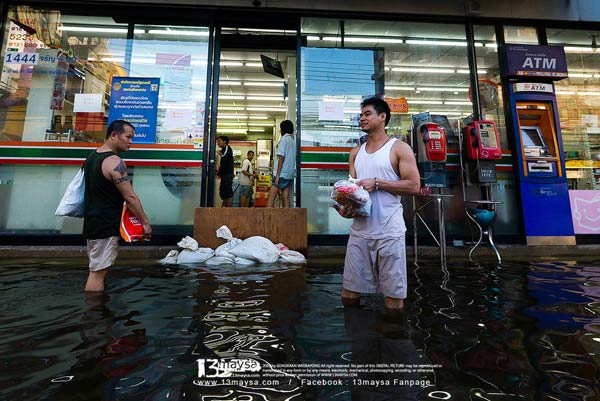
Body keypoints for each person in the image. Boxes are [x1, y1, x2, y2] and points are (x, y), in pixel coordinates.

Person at [334, 97, 420, 310]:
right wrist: (347, 208)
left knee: (393, 296)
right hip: (360, 232)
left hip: (389, 232)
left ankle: (392, 339)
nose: (362, 118)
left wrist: (378, 183)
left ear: (383, 117)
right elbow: (354, 193)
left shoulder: (399, 148)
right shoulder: (355, 153)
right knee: (349, 292)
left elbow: (414, 186)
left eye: (367, 114)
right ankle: (357, 339)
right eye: (361, 114)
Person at [83, 120, 151, 292]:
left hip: (93, 221)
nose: (131, 142)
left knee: (97, 268)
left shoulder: (92, 156)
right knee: (97, 273)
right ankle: (94, 314)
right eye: (128, 137)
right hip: (106, 225)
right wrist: (144, 222)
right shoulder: (114, 162)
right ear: (114, 135)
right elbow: (130, 196)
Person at [267, 120, 296, 208]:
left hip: (281, 175)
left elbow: (281, 158)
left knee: (271, 197)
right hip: (289, 174)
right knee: (286, 197)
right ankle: (287, 220)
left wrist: (277, 176)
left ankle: (266, 219)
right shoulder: (292, 141)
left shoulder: (283, 140)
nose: (280, 131)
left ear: (283, 129)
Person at [216, 135, 234, 207]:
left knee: (227, 193)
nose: (218, 143)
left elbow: (225, 156)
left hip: (227, 175)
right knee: (223, 193)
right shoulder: (223, 149)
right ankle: (225, 208)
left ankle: (228, 210)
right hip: (224, 175)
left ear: (225, 142)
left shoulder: (227, 148)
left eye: (219, 141)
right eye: (217, 141)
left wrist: (219, 153)